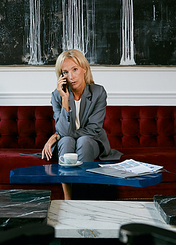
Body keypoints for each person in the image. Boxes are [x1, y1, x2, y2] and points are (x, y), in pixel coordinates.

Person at [41, 49, 122, 199]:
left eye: (75, 69)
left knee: (82, 140)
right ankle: (68, 196)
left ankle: (83, 197)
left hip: (92, 141)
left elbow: (93, 129)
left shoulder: (98, 92)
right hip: (68, 142)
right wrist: (65, 99)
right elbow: (64, 132)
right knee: (66, 140)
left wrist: (56, 136)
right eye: (65, 72)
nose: (70, 76)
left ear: (84, 69)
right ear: (61, 76)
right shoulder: (57, 96)